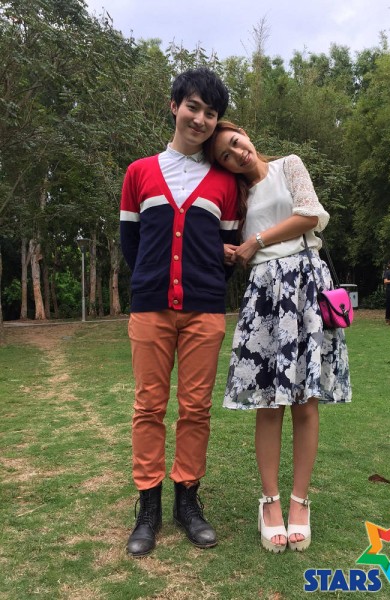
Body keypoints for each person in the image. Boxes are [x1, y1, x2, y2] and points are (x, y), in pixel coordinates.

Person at [204, 121, 351, 554]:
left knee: (306, 402)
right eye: (226, 156)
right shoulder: (235, 197)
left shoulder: (290, 165)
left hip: (306, 285)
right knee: (269, 403)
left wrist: (256, 240)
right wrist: (229, 250)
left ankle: (300, 501)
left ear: (245, 134)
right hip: (266, 293)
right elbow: (220, 241)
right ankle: (270, 503)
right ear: (223, 167)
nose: (237, 154)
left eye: (236, 143)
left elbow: (310, 215)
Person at [119, 69, 239, 557]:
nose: (201, 119)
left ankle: (187, 501)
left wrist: (202, 285)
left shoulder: (226, 183)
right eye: (193, 106)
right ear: (174, 106)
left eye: (211, 113)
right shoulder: (139, 172)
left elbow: (228, 249)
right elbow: (132, 244)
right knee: (148, 406)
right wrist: (152, 284)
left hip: (204, 311)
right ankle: (147, 507)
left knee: (195, 409)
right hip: (150, 307)